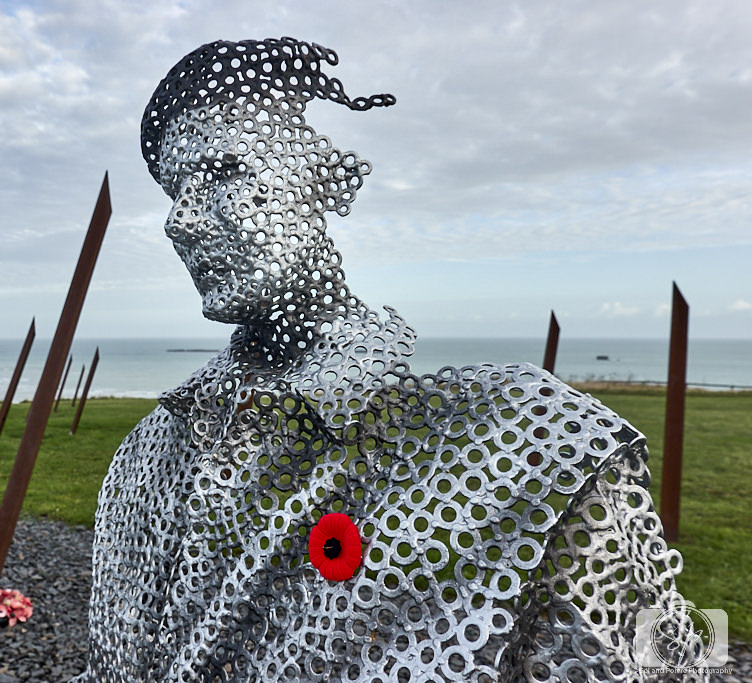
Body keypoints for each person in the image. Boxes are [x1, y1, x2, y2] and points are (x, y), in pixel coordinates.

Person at [75, 38, 704, 682]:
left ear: (325, 179)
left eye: (224, 173)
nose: (180, 222)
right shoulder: (149, 458)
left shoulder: (520, 440)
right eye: (176, 190)